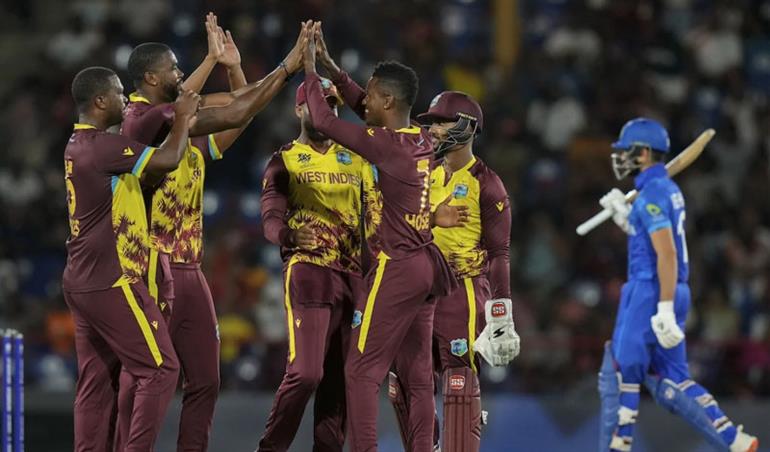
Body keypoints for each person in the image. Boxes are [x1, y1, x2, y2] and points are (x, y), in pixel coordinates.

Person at [116, 16, 308, 451]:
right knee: (144, 377)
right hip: (153, 264)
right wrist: (285, 66)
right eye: (173, 68)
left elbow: (240, 113)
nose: (180, 73)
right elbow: (231, 108)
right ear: (151, 78)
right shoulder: (141, 119)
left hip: (190, 268)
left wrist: (233, 68)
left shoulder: (183, 133)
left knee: (205, 378)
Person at [302, 22, 465, 451]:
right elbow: (363, 108)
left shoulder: (386, 146)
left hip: (398, 266)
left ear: (388, 100)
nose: (365, 101)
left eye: (373, 94)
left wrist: (308, 66)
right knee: (416, 375)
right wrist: (334, 68)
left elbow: (322, 119)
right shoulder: (419, 140)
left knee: (360, 371)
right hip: (427, 265)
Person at [597, 118, 759, 452]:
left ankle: (617, 445)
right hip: (672, 287)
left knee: (619, 367)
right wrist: (625, 218)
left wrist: (664, 308)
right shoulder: (666, 189)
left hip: (651, 289)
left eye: (626, 151)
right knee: (670, 379)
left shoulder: (652, 193)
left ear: (644, 153)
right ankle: (732, 438)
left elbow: (666, 252)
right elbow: (651, 239)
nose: (621, 157)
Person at [62, 66, 199, 451]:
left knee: (95, 382)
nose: (125, 100)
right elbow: (169, 158)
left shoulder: (75, 145)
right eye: (118, 93)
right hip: (112, 279)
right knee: (161, 368)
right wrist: (183, 117)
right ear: (100, 101)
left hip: (80, 279)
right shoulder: (103, 148)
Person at [386, 91, 520, 452]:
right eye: (431, 123)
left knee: (458, 380)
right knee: (401, 383)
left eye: (442, 123)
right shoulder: (421, 173)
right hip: (416, 290)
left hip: (461, 290)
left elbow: (499, 254)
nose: (433, 130)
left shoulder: (487, 183)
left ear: (467, 127)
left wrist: (501, 315)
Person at [257, 77, 362, 452]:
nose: (324, 110)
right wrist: (287, 235)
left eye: (331, 104)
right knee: (306, 373)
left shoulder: (358, 158)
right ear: (299, 109)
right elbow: (270, 218)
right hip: (309, 271)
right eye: (317, 103)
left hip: (354, 275)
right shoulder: (284, 160)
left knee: (340, 379)